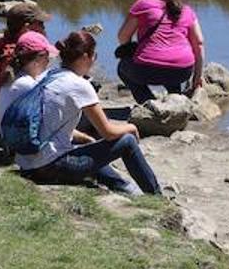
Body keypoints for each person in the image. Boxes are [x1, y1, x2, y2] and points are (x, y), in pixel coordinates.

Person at [12, 31, 161, 196]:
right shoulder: (79, 85)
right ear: (85, 56)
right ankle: (156, 196)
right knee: (127, 141)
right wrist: (131, 127)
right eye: (94, 55)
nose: (94, 60)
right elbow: (108, 132)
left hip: (26, 164)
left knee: (88, 147)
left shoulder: (48, 75)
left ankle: (122, 187)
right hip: (49, 168)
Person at [115, 0, 205, 104]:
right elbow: (199, 43)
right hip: (182, 71)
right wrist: (197, 77)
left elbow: (123, 36)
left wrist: (131, 50)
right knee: (172, 66)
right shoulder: (186, 10)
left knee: (123, 68)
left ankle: (148, 103)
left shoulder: (143, 4)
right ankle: (176, 99)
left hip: (147, 69)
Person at [0, 30, 58, 134]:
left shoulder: (13, 77)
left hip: (10, 142)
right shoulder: (27, 85)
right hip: (22, 146)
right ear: (38, 59)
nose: (48, 62)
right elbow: (50, 119)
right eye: (47, 57)